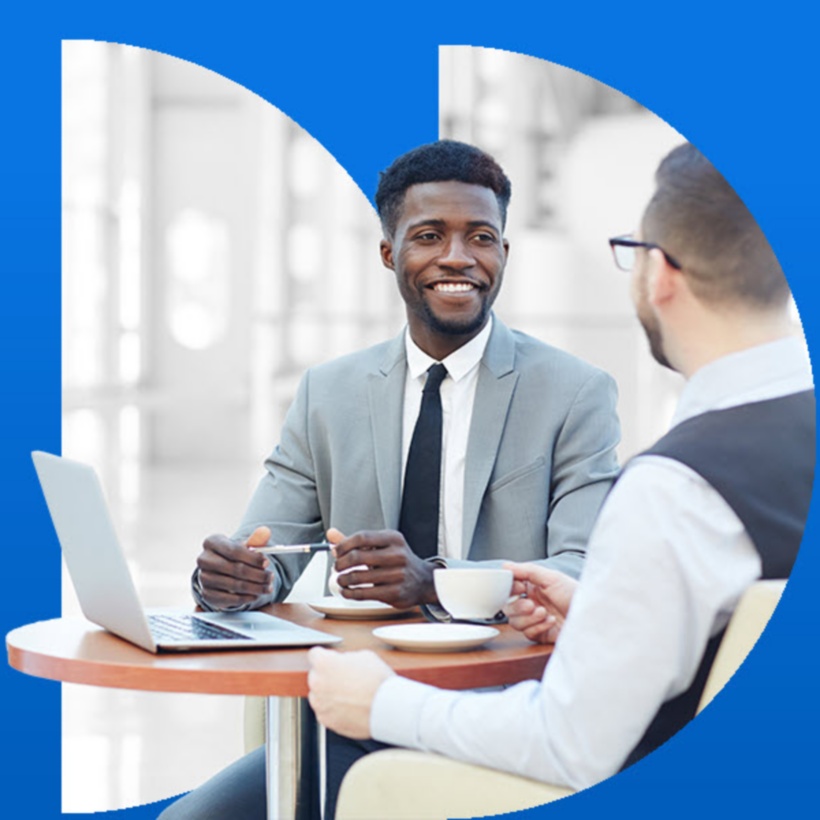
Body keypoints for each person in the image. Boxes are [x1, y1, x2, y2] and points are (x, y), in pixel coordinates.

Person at [306, 142, 815, 795]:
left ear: (658, 273)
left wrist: (381, 702)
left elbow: (570, 745)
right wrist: (605, 614)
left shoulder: (677, 487)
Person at [159, 140, 621, 819]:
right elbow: (267, 548)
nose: (458, 258)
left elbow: (581, 570)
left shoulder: (575, 393)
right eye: (429, 236)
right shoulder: (329, 392)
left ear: (503, 254)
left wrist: (433, 578)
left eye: (481, 237)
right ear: (388, 254)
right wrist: (233, 578)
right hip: (352, 714)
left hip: (504, 716)